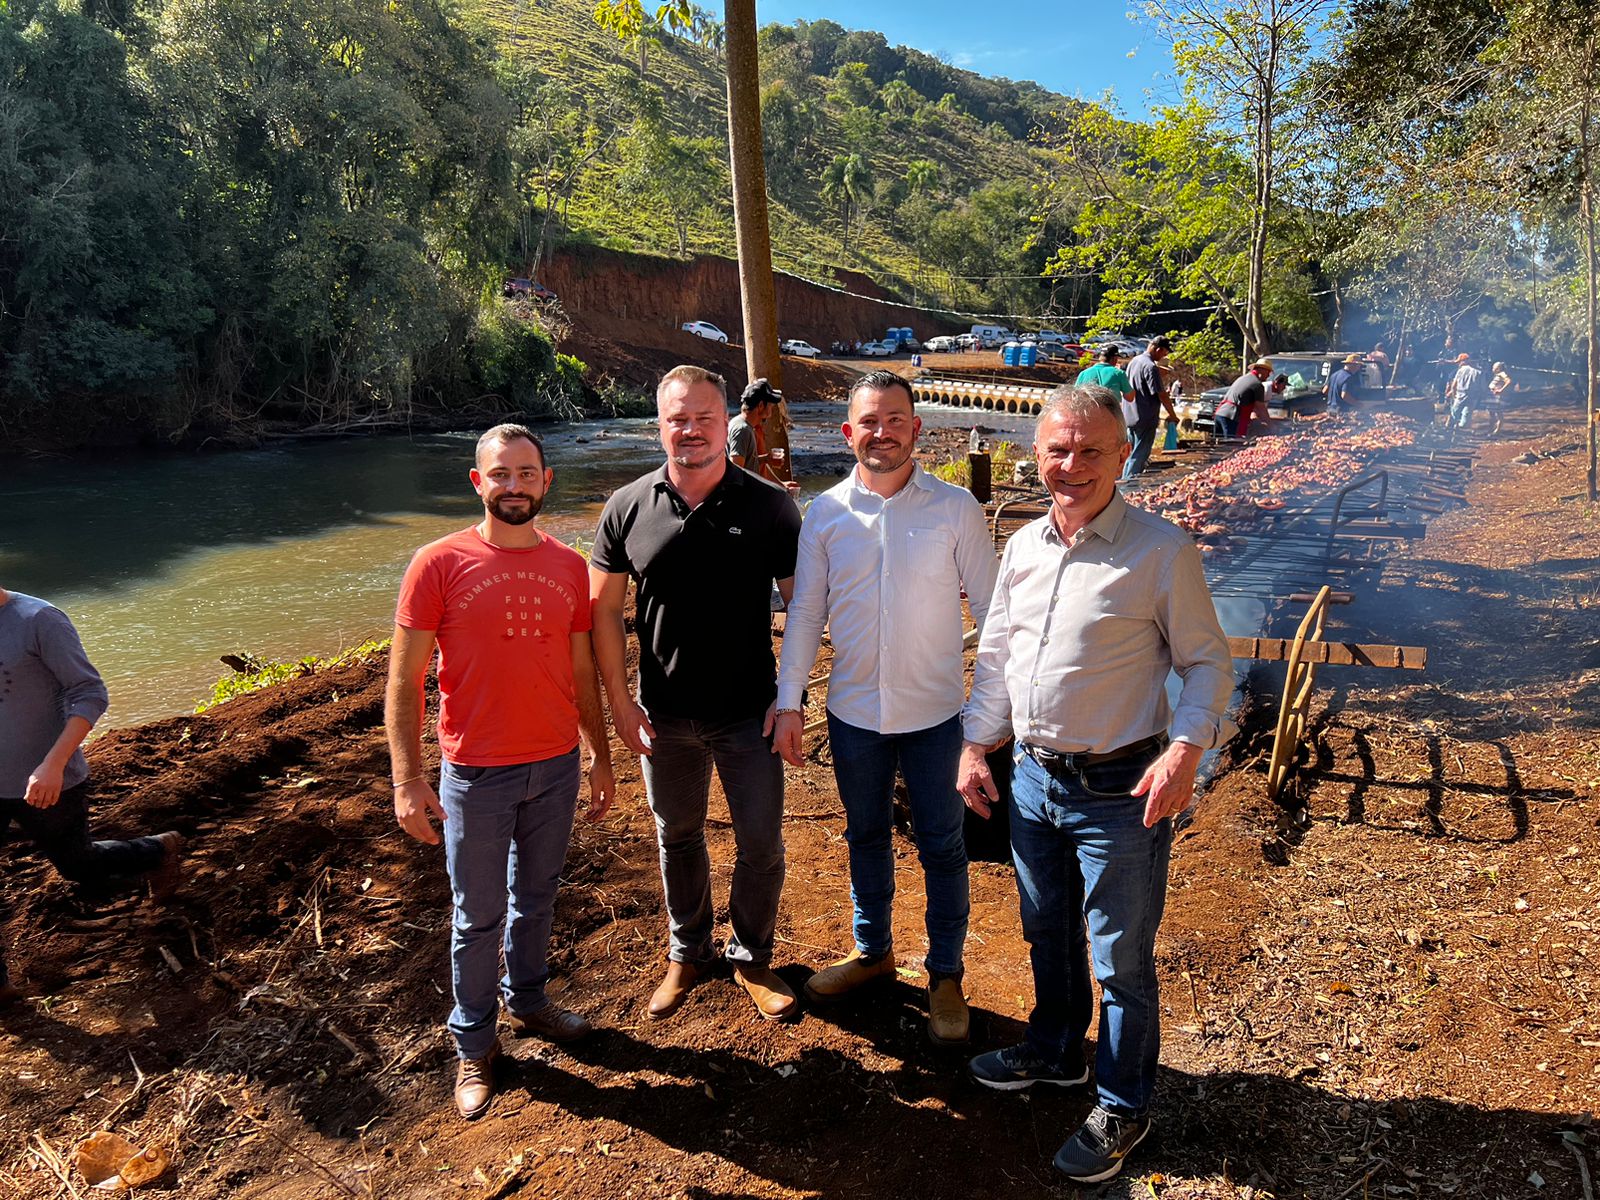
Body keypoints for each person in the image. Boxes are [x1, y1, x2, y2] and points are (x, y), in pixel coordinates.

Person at [956, 383, 1234, 1185]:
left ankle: (1122, 1102)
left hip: (1120, 789)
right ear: (1035, 455)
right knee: (1045, 931)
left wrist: (1185, 749)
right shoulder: (1024, 546)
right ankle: (1054, 1053)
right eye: (1057, 451)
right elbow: (1000, 659)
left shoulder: (1160, 550)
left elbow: (1208, 664)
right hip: (1034, 779)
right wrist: (975, 747)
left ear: (1121, 455)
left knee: (1121, 960)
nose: (1071, 466)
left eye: (1089, 451)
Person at [386, 424, 615, 1121]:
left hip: (555, 765)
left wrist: (601, 754)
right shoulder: (437, 563)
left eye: (525, 473)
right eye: (500, 473)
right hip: (475, 774)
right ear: (477, 481)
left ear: (546, 482)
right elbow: (405, 680)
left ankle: (532, 1000)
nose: (513, 485)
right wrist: (407, 778)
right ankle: (475, 1045)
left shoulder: (570, 566)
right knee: (476, 917)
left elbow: (582, 671)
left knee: (538, 895)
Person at [773, 370, 999, 1045]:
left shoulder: (956, 509)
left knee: (943, 845)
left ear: (915, 429)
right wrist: (789, 704)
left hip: (937, 719)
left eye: (895, 419)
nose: (883, 432)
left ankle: (946, 975)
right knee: (864, 835)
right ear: (849, 432)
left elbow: (994, 615)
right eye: (869, 421)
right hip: (853, 717)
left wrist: (985, 723)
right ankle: (871, 953)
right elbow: (805, 612)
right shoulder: (827, 515)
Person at [590, 365, 802, 1024]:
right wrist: (621, 705)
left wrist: (790, 697)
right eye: (677, 418)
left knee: (761, 842)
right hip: (664, 716)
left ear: (724, 423)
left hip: (749, 712)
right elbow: (602, 614)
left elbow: (802, 607)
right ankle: (688, 952)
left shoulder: (770, 506)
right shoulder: (627, 506)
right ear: (661, 425)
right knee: (676, 836)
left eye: (703, 417)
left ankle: (753, 957)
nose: (690, 430)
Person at [0, 589, 183, 1007]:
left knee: (79, 864)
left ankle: (158, 850)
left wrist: (54, 763)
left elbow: (89, 692)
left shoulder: (39, 620)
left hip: (46, 779)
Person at [1122, 336, 1177, 480]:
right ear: (1158, 349)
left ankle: (1124, 484)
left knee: (1131, 454)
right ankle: (1130, 488)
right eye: (1164, 353)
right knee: (1140, 455)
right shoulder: (1150, 367)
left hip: (1130, 416)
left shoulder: (1134, 361)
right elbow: (1162, 395)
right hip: (1145, 417)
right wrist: (1172, 414)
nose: (1163, 356)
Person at [728, 379, 777, 477]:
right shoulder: (742, 430)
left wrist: (765, 459)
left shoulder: (742, 425)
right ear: (761, 406)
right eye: (770, 405)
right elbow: (736, 471)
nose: (772, 408)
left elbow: (746, 462)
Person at [1077, 347, 1135, 429]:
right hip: (1110, 418)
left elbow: (1075, 396)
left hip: (1087, 418)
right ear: (1114, 358)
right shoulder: (1118, 373)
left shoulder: (1083, 373)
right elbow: (1130, 397)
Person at [1214, 360, 1272, 439]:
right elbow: (1261, 408)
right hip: (1231, 416)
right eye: (1268, 372)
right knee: (1230, 445)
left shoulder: (1243, 378)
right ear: (1261, 370)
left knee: (1218, 445)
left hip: (1220, 414)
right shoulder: (1257, 385)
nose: (1268, 375)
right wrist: (1271, 426)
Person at [1447, 351, 1487, 432]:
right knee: (1465, 416)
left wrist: (1454, 394)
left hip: (1460, 395)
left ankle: (1452, 429)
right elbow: (1483, 387)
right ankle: (1458, 430)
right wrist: (1483, 395)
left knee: (1455, 414)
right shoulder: (1480, 372)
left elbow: (1454, 384)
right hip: (1471, 396)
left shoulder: (1462, 369)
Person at [1488, 361, 1512, 436]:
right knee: (1492, 413)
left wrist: (1501, 390)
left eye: (1494, 367)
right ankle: (1491, 430)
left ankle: (1497, 431)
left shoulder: (1502, 374)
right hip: (1492, 396)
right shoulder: (1497, 375)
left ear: (1498, 368)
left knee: (1499, 414)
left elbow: (1508, 381)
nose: (1492, 368)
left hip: (1497, 397)